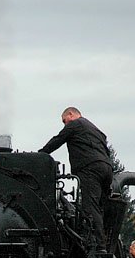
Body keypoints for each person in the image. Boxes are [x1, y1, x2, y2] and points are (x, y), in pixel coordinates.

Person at [39, 106, 113, 248]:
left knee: (90, 207)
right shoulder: (96, 130)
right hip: (107, 169)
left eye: (64, 121)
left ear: (71, 114)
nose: (65, 124)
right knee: (100, 207)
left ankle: (98, 246)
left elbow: (58, 140)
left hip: (90, 168)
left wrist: (41, 154)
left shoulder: (75, 124)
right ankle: (103, 241)